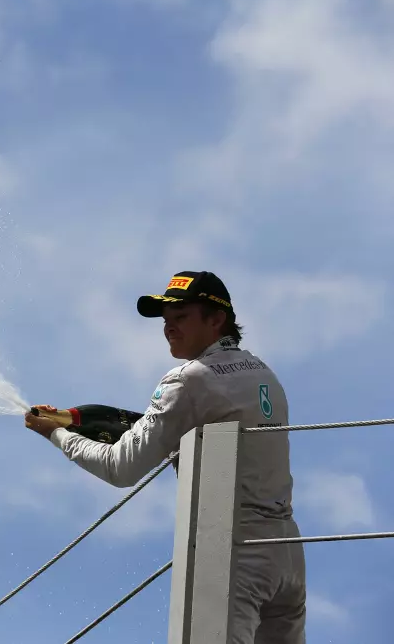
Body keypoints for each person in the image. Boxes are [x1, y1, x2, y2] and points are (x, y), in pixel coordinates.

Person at [24, 271, 306, 644]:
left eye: (181, 317)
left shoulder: (187, 380)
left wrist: (57, 435)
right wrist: (75, 418)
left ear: (216, 318)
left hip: (235, 550)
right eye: (166, 321)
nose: (169, 328)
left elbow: (120, 467)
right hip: (286, 550)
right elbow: (169, 426)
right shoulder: (260, 371)